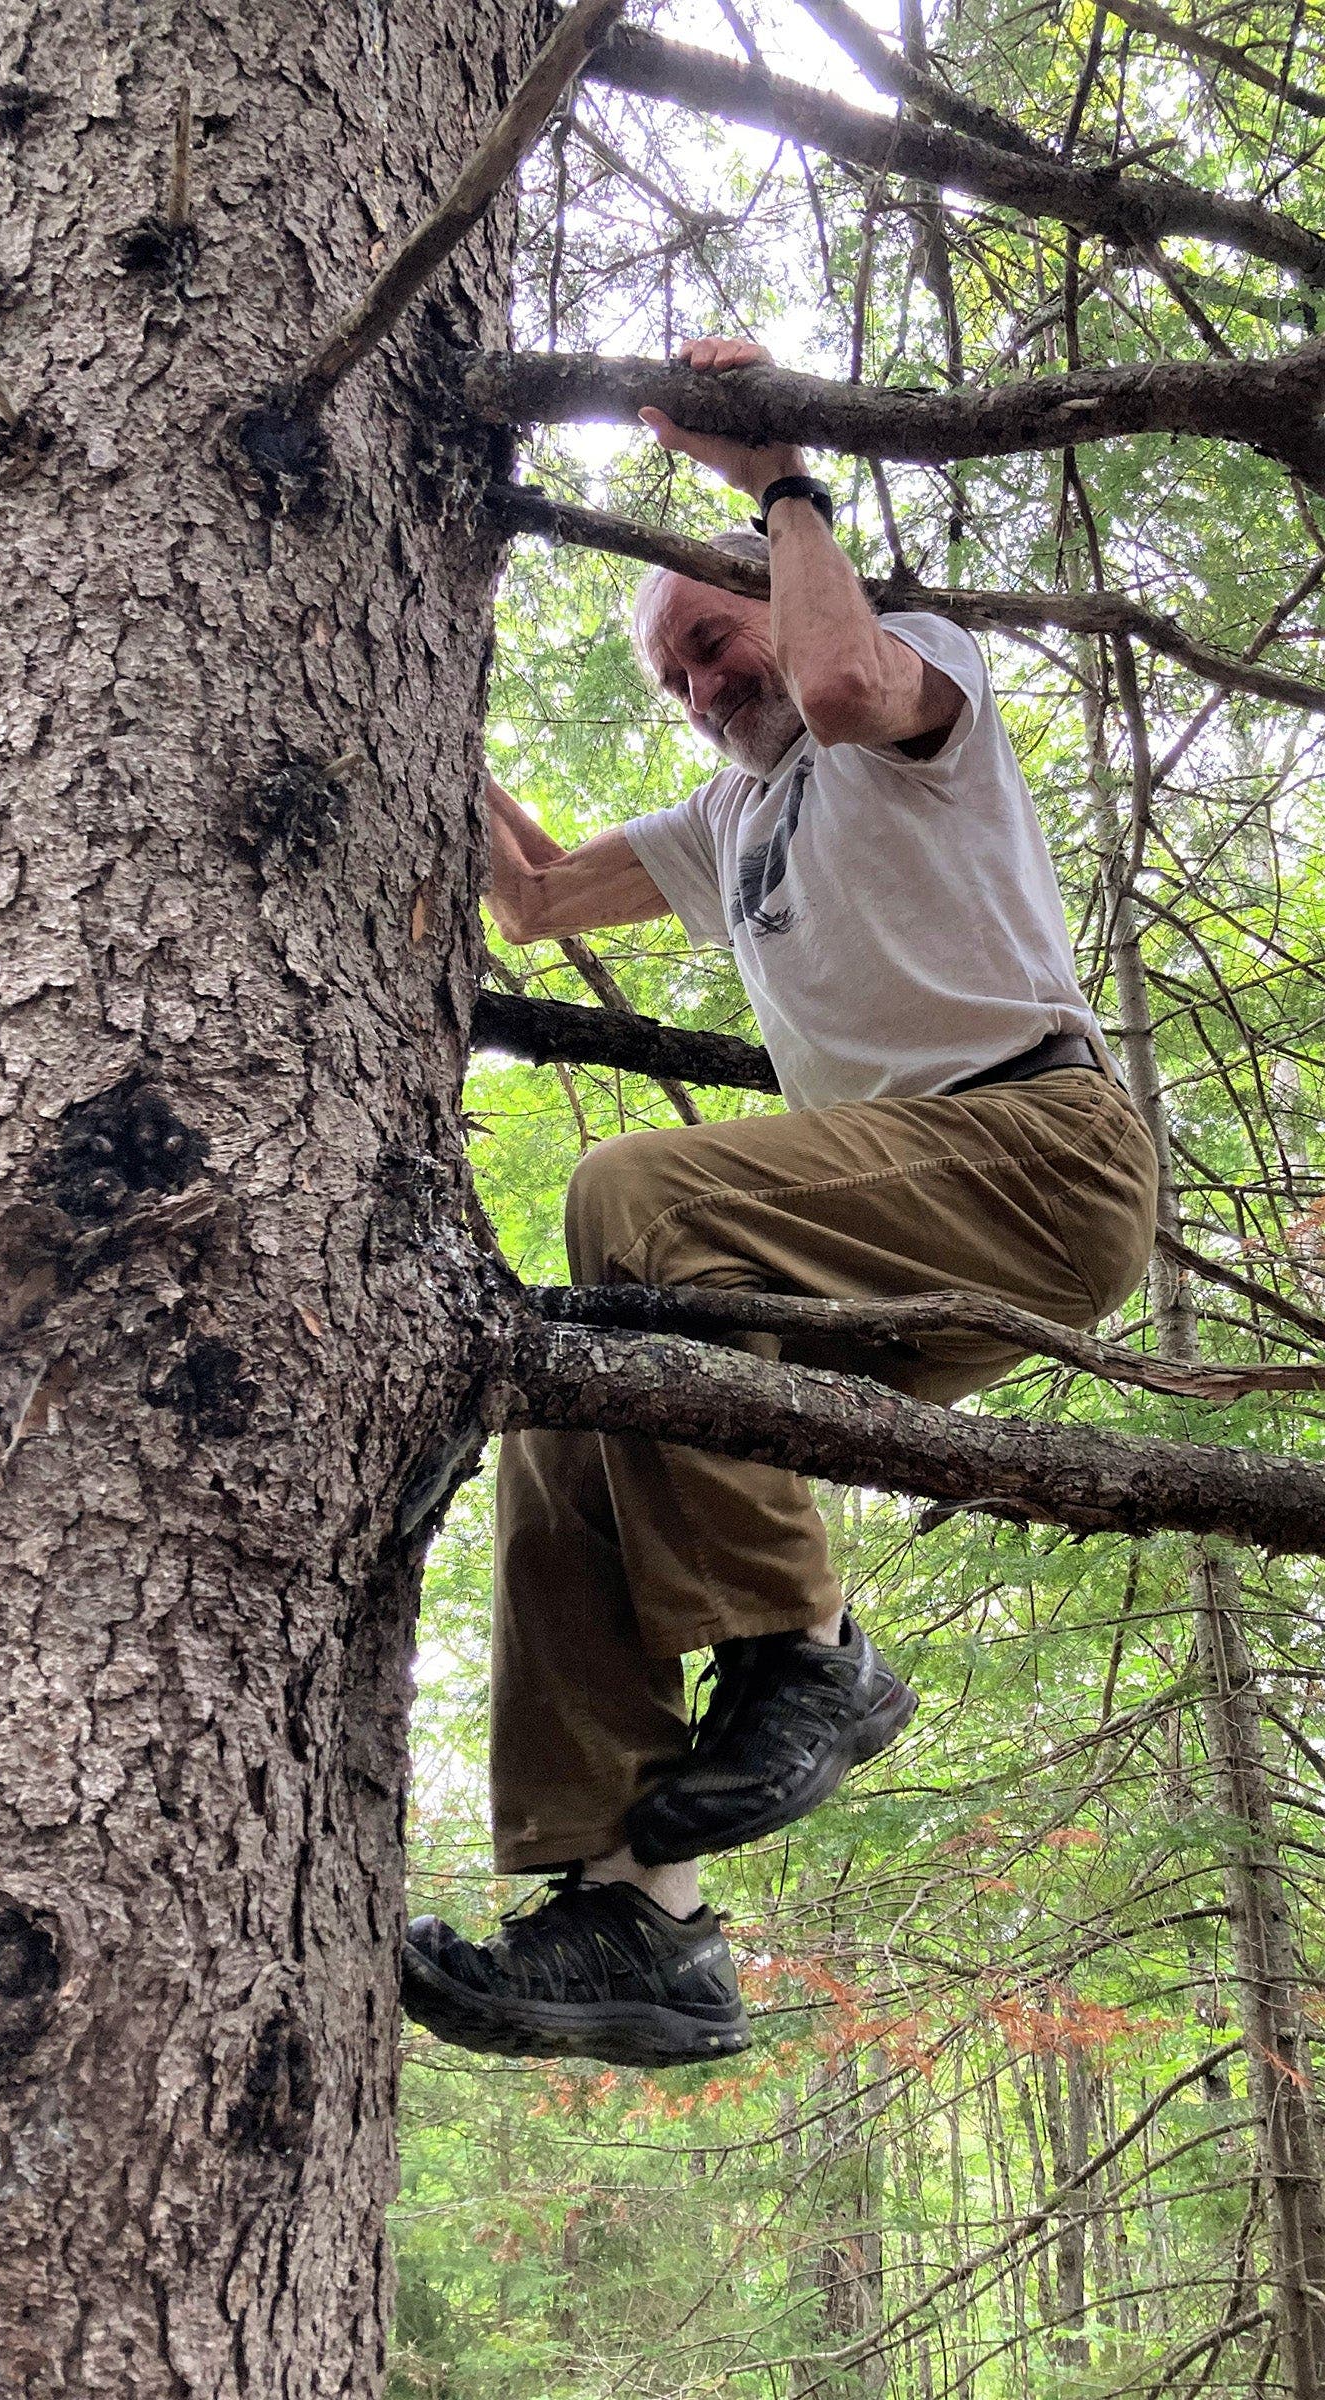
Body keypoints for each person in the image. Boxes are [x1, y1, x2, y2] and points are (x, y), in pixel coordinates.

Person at [401, 336, 1159, 2071]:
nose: (701, 684)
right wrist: (406, 701)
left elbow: (836, 682)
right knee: (572, 1403)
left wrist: (779, 482)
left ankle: (808, 1653)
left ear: (775, 590)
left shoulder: (912, 686)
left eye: (712, 635)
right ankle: (638, 1909)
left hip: (1039, 1157)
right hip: (880, 1239)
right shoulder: (728, 818)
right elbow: (531, 902)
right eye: (672, 674)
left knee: (632, 1190)